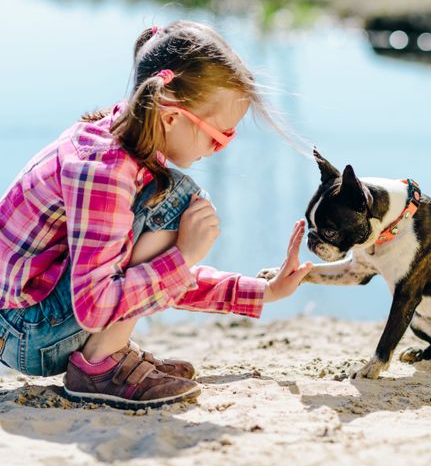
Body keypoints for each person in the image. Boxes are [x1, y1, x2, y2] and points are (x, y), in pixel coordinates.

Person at [0, 20, 313, 410]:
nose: (221, 149)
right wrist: (183, 257)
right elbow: (96, 305)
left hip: (31, 320)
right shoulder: (105, 171)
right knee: (179, 200)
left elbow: (129, 264)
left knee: (171, 199)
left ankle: (106, 353)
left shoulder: (124, 145)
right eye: (221, 136)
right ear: (170, 116)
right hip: (26, 332)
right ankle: (100, 365)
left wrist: (262, 291)